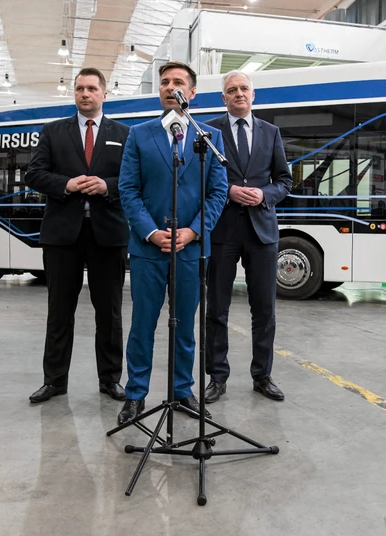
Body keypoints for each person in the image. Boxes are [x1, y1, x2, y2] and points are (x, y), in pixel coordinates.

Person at [116, 61, 228, 425]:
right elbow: (128, 189)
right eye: (164, 82)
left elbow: (218, 192)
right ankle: (135, 394)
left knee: (185, 326)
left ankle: (182, 390)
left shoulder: (209, 137)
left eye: (178, 81)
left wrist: (194, 231)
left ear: (192, 92)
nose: (169, 86)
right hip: (148, 249)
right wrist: (150, 231)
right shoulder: (139, 135)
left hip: (191, 250)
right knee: (142, 325)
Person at [25, 67, 130, 404]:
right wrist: (66, 184)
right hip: (62, 235)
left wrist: (107, 186)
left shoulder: (124, 134)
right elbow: (34, 174)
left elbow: (134, 178)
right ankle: (54, 381)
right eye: (80, 88)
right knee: (59, 311)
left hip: (108, 233)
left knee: (109, 312)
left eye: (91, 89)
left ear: (104, 94)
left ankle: (110, 380)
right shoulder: (53, 131)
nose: (85, 94)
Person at [203, 71, 292, 404]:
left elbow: (284, 180)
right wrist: (228, 190)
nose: (238, 93)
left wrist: (264, 194)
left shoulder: (271, 132)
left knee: (264, 309)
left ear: (253, 95)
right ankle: (217, 377)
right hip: (222, 230)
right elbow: (200, 176)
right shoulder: (209, 132)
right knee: (217, 309)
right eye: (232, 90)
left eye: (244, 89)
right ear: (223, 98)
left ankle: (262, 375)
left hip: (262, 232)